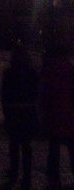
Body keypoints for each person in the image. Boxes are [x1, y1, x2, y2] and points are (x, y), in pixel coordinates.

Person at [1, 44, 38, 190]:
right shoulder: (32, 73)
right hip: (28, 112)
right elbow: (36, 93)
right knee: (26, 146)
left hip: (13, 112)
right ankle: (26, 176)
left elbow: (5, 95)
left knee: (14, 144)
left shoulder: (9, 73)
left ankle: (14, 171)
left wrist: (6, 112)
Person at [40, 44, 74, 189]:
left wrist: (43, 116)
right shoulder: (71, 71)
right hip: (70, 118)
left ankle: (54, 181)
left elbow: (43, 97)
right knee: (72, 150)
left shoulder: (49, 72)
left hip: (54, 118)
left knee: (53, 152)